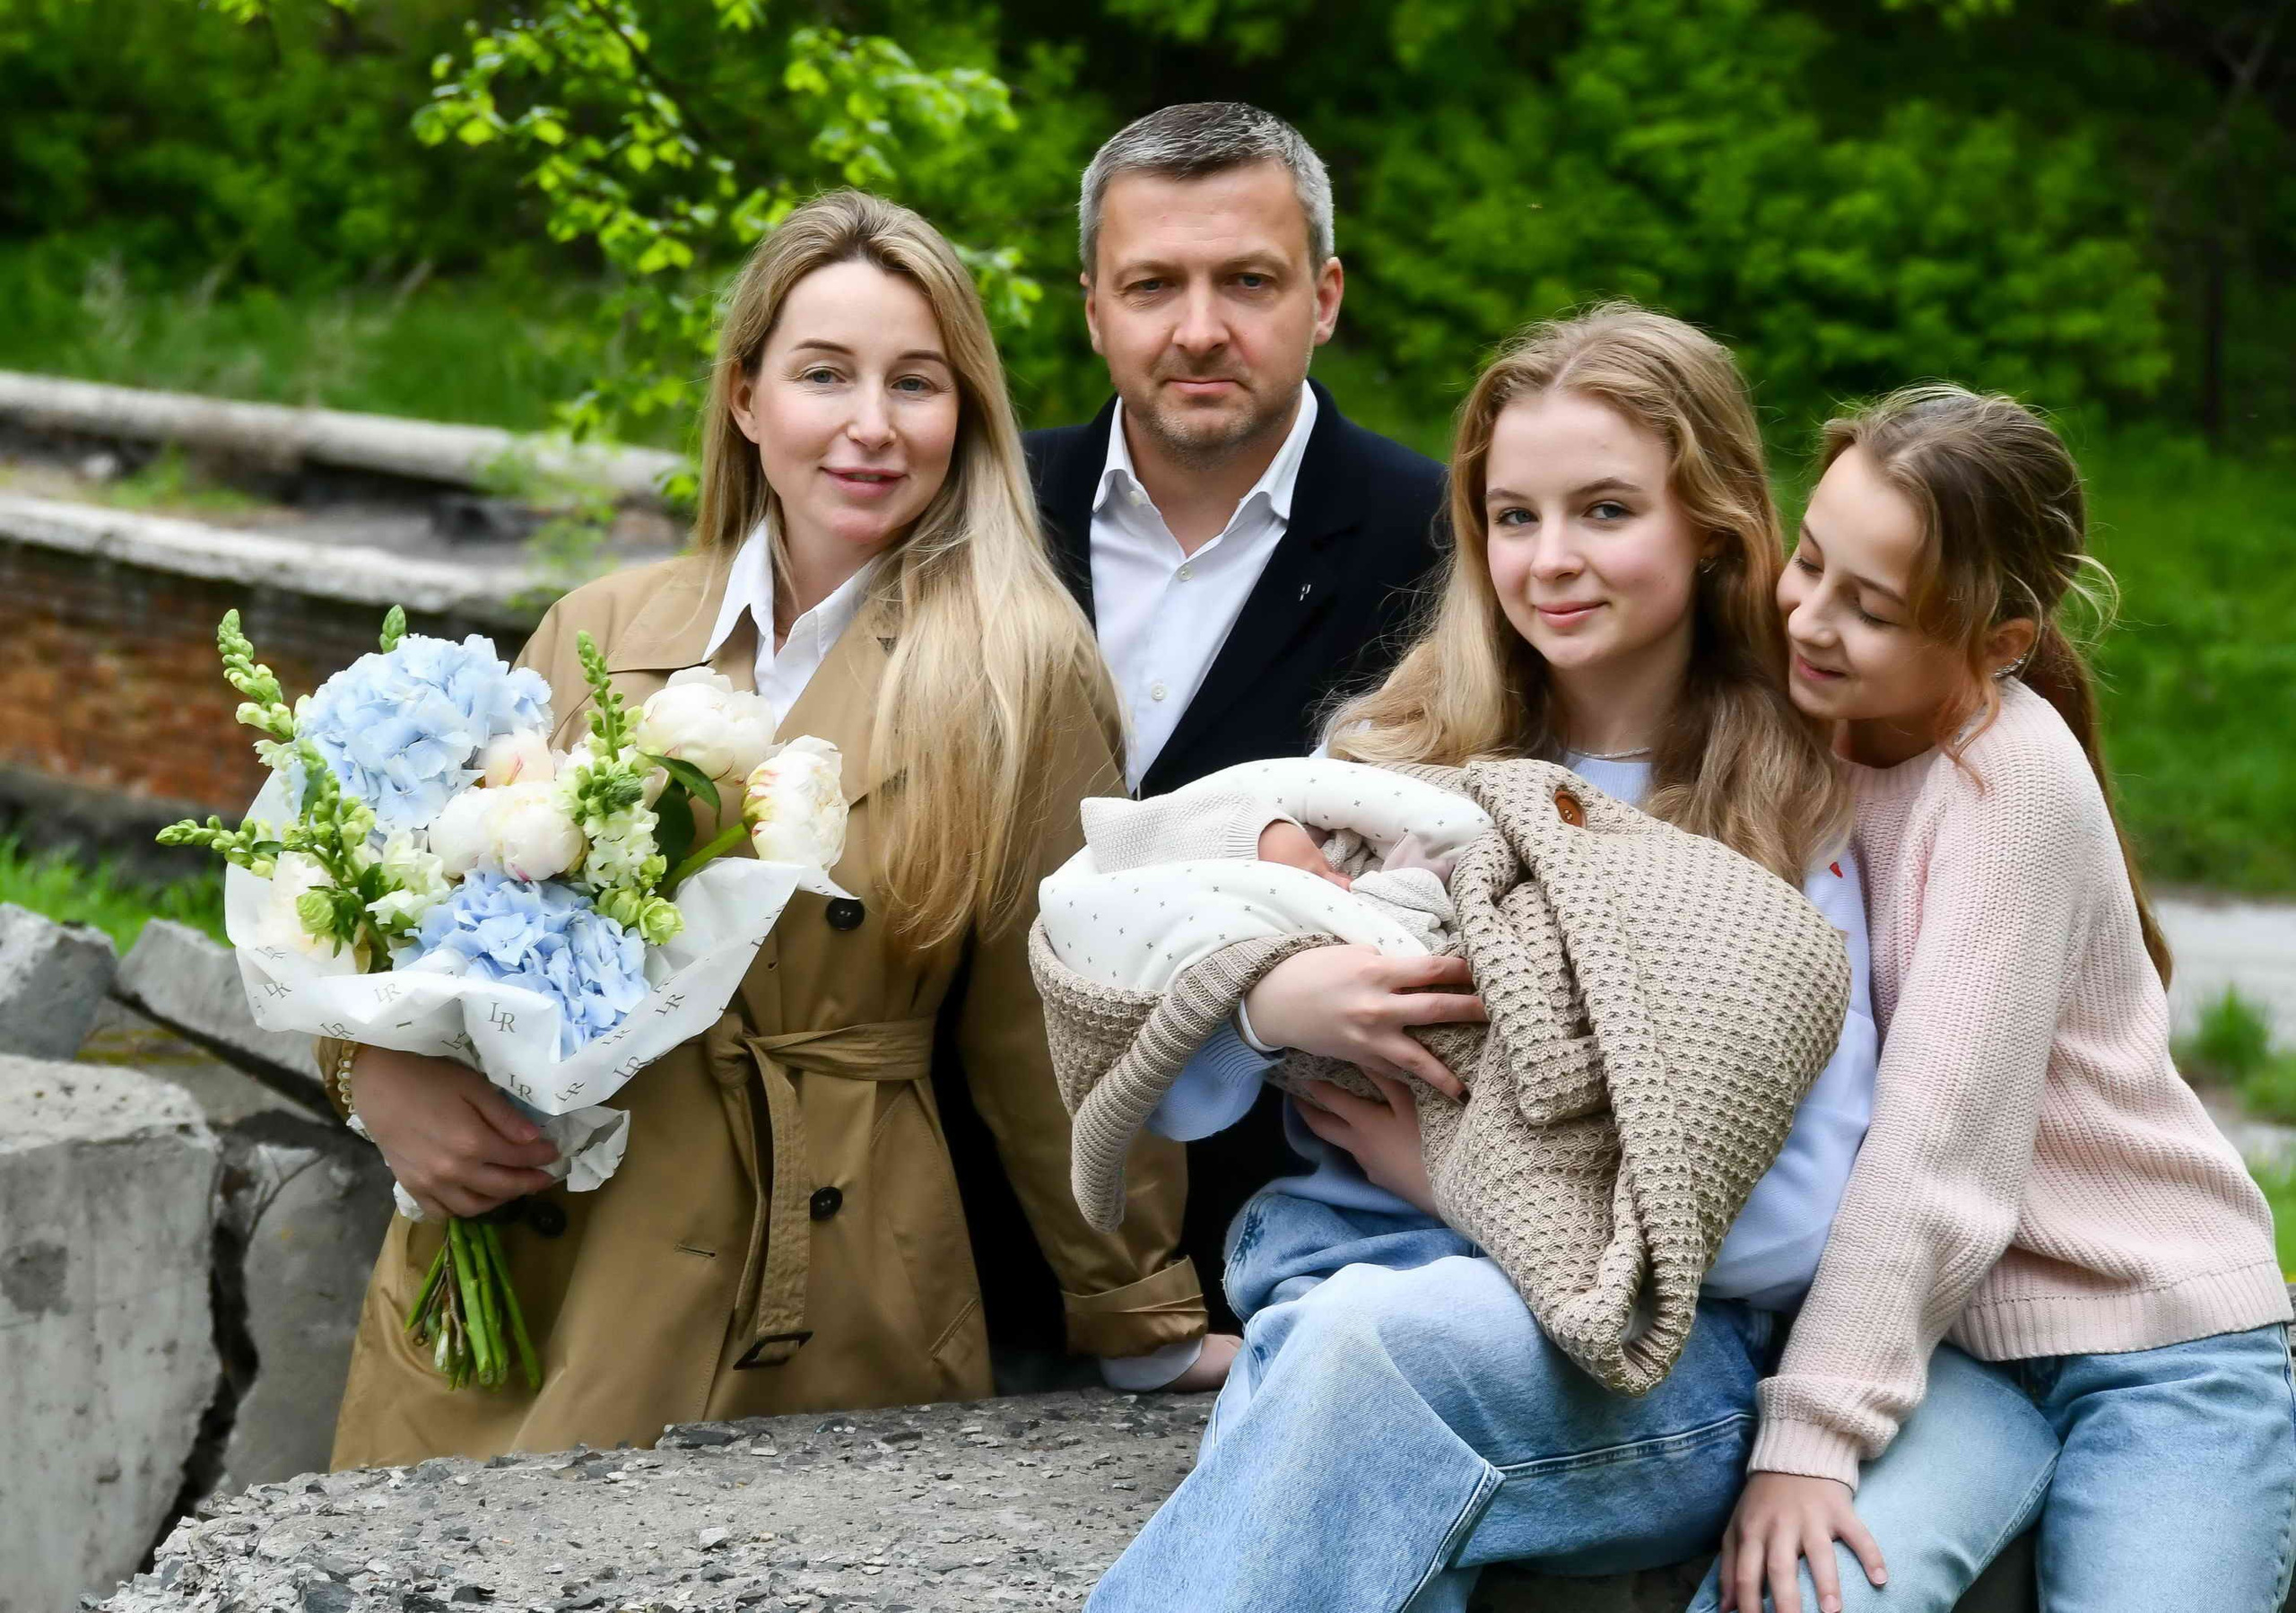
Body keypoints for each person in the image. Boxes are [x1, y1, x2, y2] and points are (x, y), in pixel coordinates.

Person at [320, 190, 1213, 1468]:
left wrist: (1137, 1309)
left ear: (965, 417)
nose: (872, 424)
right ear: (746, 398)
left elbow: (1051, 1016)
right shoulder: (600, 625)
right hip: (531, 1243)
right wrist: (367, 1071)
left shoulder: (1017, 669)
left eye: (917, 383)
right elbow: (404, 914)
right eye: (824, 374)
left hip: (811, 1271)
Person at [1086, 304, 1880, 1612]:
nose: (1551, 560)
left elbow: (1794, 1228)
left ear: (1711, 524)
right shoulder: (1392, 759)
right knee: (1361, 1390)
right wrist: (1276, 1001)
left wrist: (1464, 1178)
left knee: (1366, 1355)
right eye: (1514, 516)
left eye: (1607, 511)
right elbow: (1176, 1099)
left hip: (1657, 1366)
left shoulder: (1789, 813)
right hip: (1330, 1279)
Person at [1697, 385, 2294, 1613]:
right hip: (1952, 1355)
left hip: (2159, 1347)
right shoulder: (1806, 725)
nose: (1810, 617)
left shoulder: (2006, 782)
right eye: (1809, 561)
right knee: (1797, 1595)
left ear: (2001, 640)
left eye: (1873, 609)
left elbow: (1940, 1145)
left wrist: (1808, 1434)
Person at [953, 101, 1448, 1365]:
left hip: (1279, 1260)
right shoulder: (980, 514)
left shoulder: (1445, 545)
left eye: (1248, 281)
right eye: (1152, 285)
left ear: (1325, 298)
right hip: (962, 1235)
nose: (1199, 328)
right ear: (1093, 308)